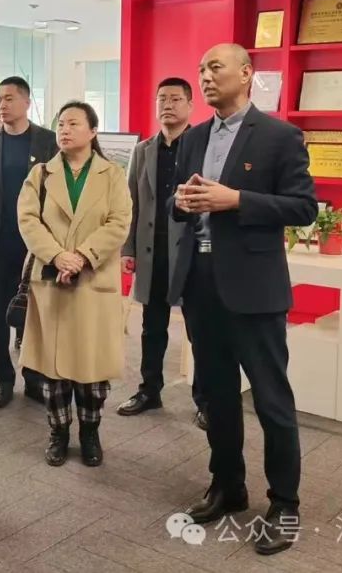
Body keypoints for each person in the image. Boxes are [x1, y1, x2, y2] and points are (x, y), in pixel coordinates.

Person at [170, 43, 316, 556]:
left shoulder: (279, 136)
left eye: (215, 67)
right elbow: (178, 201)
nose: (206, 76)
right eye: (201, 69)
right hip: (201, 282)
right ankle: (227, 485)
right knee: (216, 395)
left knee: (272, 399)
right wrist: (180, 203)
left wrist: (237, 200)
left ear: (247, 73)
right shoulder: (194, 138)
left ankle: (285, 502)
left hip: (254, 288)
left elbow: (303, 208)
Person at [18, 101, 131, 467]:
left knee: (92, 367)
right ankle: (58, 433)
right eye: (61, 124)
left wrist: (81, 256)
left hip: (93, 279)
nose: (64, 130)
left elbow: (119, 222)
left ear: (93, 131)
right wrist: (57, 256)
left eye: (73, 124)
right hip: (52, 280)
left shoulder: (112, 174)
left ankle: (90, 432)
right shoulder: (41, 174)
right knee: (53, 369)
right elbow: (28, 220)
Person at [117, 77, 207, 429]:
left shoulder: (203, 145)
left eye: (175, 99)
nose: (167, 105)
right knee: (151, 327)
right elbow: (131, 203)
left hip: (192, 253)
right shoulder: (143, 150)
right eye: (162, 99)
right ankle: (149, 390)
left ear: (190, 105)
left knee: (198, 330)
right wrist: (128, 248)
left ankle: (205, 400)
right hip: (152, 251)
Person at [0, 77, 57, 407]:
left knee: (36, 314)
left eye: (9, 99)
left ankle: (34, 379)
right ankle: (3, 379)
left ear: (26, 102)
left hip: (36, 244)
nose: (2, 105)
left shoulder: (47, 141)